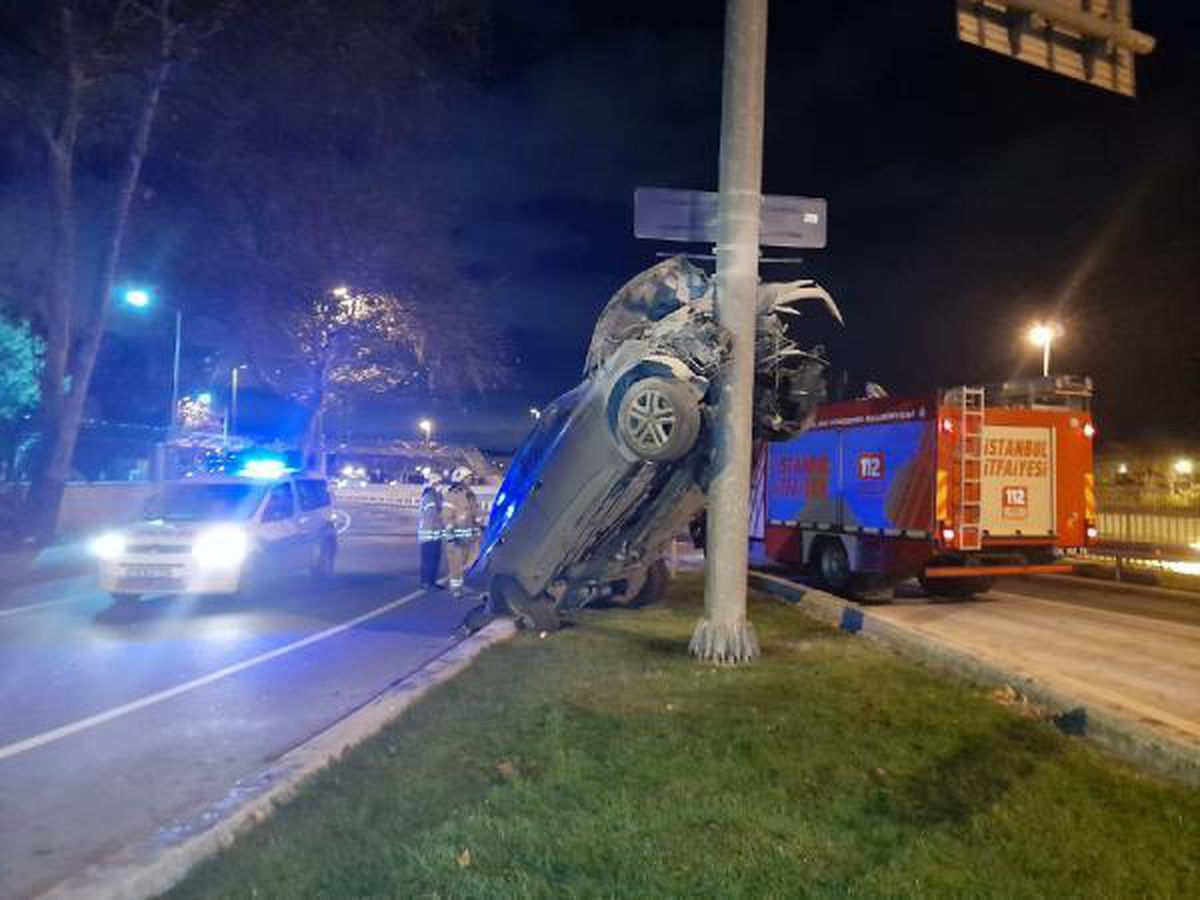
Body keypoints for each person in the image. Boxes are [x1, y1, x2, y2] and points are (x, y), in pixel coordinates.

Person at [442, 465, 482, 597]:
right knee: (456, 565)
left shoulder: (470, 494)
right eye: (468, 478)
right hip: (456, 537)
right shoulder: (453, 495)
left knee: (469, 562)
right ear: (461, 479)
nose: (470, 480)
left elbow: (475, 512)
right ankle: (456, 589)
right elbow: (447, 514)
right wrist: (450, 534)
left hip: (469, 536)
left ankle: (461, 585)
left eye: (470, 478)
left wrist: (480, 525)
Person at [417, 472, 445, 588]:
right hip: (429, 534)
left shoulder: (436, 496)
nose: (441, 485)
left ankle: (430, 581)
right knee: (429, 559)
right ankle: (427, 582)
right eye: (438, 483)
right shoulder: (430, 497)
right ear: (433, 483)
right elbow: (432, 516)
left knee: (433, 559)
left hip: (434, 534)